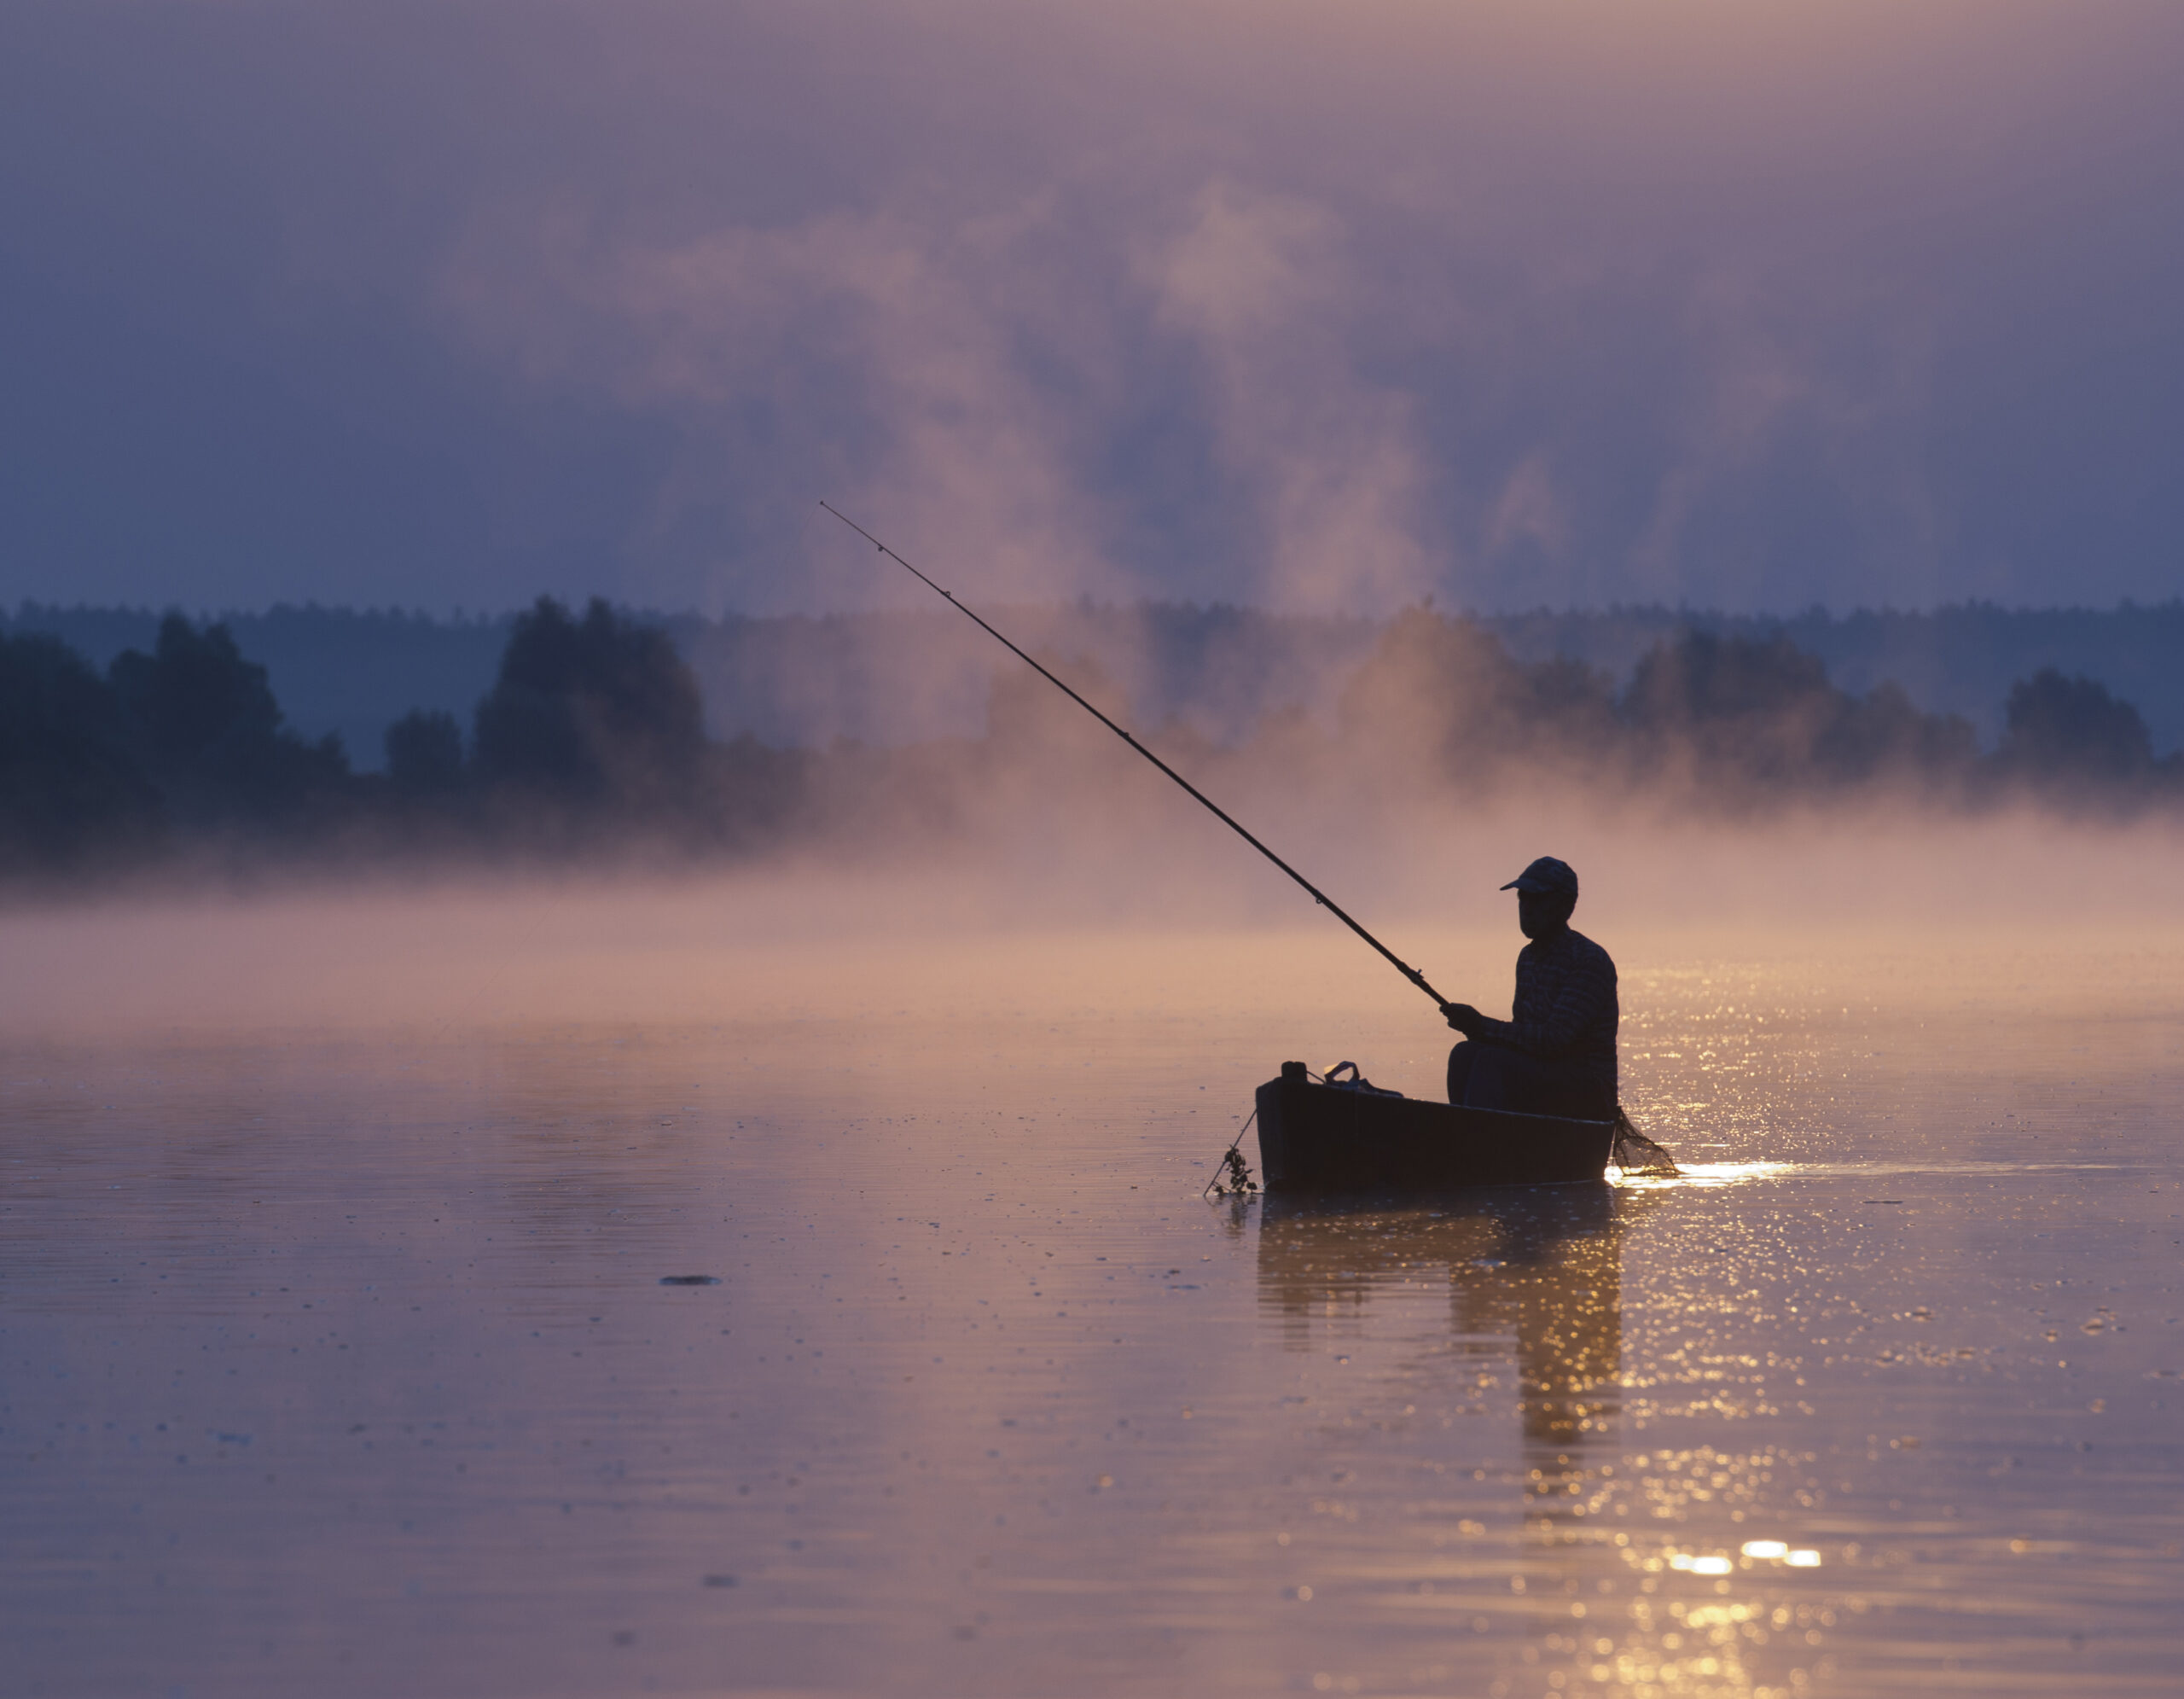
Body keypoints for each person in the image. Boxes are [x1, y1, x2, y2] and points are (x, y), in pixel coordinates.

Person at [1440, 856, 1618, 1121]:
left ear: (1563, 906)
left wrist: (1482, 1026)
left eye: (1537, 900)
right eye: (1523, 899)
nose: (1527, 908)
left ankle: (1476, 1144)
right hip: (1544, 1079)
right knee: (1465, 1054)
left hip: (1586, 1092)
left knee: (1490, 1062)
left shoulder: (1588, 960)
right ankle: (1473, 1135)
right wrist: (1476, 1030)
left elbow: (1553, 1041)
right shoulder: (1528, 958)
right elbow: (1523, 1036)